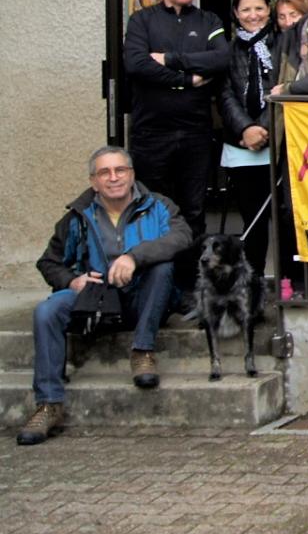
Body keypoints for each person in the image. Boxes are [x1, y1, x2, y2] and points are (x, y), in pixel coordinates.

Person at [20, 147, 190, 444]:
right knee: (45, 312)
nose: (113, 178)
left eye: (120, 170)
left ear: (132, 174)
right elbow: (48, 262)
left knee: (162, 267)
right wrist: (72, 281)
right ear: (93, 181)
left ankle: (142, 352)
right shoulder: (77, 217)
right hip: (95, 299)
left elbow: (182, 237)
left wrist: (134, 257)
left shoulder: (159, 206)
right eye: (104, 173)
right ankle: (48, 404)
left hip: (143, 297)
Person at [121, 0, 227, 240]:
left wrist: (169, 59)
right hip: (151, 134)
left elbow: (220, 58)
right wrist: (186, 80)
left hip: (195, 134)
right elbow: (137, 64)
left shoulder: (209, 21)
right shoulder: (141, 20)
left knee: (194, 210)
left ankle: (191, 281)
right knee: (153, 210)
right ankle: (159, 283)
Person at [215, 0, 279, 277]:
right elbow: (224, 94)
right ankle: (252, 285)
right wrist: (246, 128)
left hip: (277, 142)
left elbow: (283, 88)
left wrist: (263, 128)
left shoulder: (285, 43)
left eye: (259, 8)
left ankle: (288, 285)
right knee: (252, 220)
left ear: (269, 10)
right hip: (240, 145)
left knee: (285, 218)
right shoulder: (227, 50)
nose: (253, 15)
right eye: (246, 10)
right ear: (235, 13)